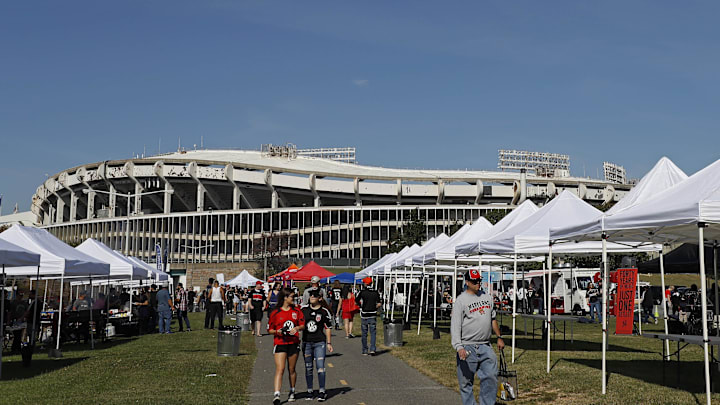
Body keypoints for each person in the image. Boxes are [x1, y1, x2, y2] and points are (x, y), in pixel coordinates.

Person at [451, 269, 504, 405]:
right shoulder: (461, 301)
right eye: (475, 281)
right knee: (466, 382)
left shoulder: (487, 297)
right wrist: (459, 347)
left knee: (491, 377)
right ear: (467, 282)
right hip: (468, 346)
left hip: (485, 345)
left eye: (479, 281)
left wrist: (499, 336)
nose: (478, 283)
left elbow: (493, 319)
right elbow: (455, 326)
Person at [268, 287, 305, 405]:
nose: (293, 299)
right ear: (285, 297)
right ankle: (277, 394)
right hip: (280, 343)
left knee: (291, 369)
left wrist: (297, 328)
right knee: (280, 368)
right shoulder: (276, 312)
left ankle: (292, 390)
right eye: (292, 297)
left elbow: (303, 324)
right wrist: (277, 331)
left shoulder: (297, 311)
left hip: (293, 342)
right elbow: (270, 329)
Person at [301, 289, 333, 401]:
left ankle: (322, 391)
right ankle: (310, 391)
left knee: (320, 367)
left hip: (320, 342)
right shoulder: (303, 310)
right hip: (306, 342)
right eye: (311, 296)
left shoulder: (324, 311)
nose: (312, 297)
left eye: (315, 296)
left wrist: (329, 343)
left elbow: (328, 327)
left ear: (320, 298)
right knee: (308, 367)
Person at [355, 277, 381, 356]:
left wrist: (360, 306)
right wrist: (375, 307)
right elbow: (379, 302)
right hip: (372, 313)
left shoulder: (362, 292)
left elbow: (356, 300)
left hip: (364, 313)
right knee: (373, 333)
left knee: (364, 333)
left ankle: (365, 349)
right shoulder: (375, 292)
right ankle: (372, 349)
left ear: (365, 284)